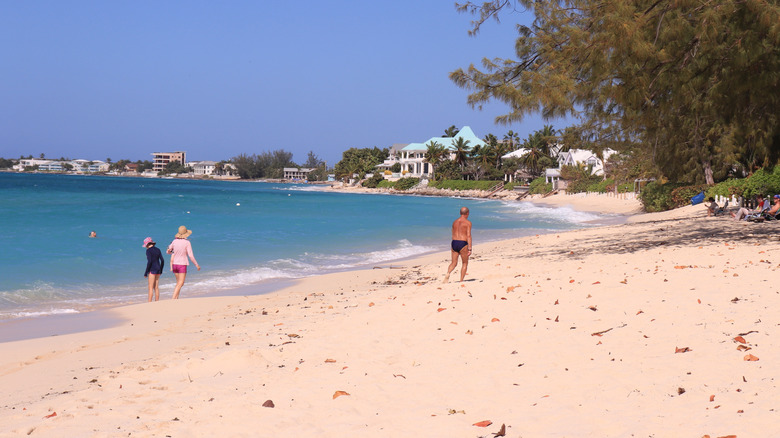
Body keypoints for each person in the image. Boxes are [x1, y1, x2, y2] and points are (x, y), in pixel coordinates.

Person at [167, 225, 200, 299]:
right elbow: (191, 256)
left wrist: (170, 250)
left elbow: (168, 251)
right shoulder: (187, 242)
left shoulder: (174, 241)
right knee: (180, 283)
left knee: (178, 283)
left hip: (175, 264)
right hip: (182, 264)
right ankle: (173, 299)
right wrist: (196, 265)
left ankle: (176, 298)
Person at [444, 207, 472, 283]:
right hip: (462, 243)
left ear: (460, 213)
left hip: (454, 242)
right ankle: (461, 280)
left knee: (453, 263)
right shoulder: (468, 223)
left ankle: (448, 273)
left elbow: (453, 233)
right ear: (467, 213)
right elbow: (468, 235)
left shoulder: (454, 222)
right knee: (465, 263)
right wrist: (470, 248)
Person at [143, 237, 164, 302]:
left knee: (150, 287)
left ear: (147, 244)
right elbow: (162, 260)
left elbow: (149, 261)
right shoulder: (158, 249)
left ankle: (149, 302)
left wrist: (146, 272)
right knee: (156, 287)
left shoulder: (148, 251)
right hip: (158, 269)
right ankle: (157, 301)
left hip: (152, 270)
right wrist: (161, 270)